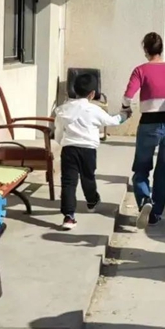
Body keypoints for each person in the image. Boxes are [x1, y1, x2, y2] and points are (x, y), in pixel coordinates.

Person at [123, 32, 165, 229]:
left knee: (141, 169)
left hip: (148, 124)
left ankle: (145, 200)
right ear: (161, 49)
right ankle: (156, 213)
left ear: (146, 49)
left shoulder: (140, 70)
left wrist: (127, 109)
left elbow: (127, 97)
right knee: (163, 170)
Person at [54, 73, 129, 230]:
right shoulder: (94, 110)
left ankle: (68, 216)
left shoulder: (63, 109)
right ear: (92, 94)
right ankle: (92, 201)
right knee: (88, 177)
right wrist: (124, 115)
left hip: (69, 149)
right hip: (88, 150)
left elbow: (58, 132)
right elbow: (112, 121)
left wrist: (62, 142)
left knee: (68, 182)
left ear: (73, 90)